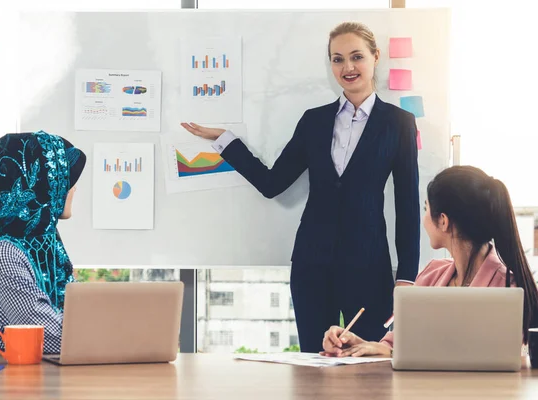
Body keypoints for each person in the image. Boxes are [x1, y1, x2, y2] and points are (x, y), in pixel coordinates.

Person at [181, 22, 420, 351]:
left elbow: (407, 205)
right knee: (314, 365)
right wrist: (225, 141)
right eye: (337, 59)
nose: (347, 67)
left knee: (370, 369)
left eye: (356, 57)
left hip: (369, 268)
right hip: (312, 266)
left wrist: (407, 276)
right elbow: (271, 183)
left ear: (375, 57)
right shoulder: (314, 121)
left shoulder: (398, 123)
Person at [322, 166, 538, 357]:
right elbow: (399, 345)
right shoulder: (431, 274)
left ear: (443, 221)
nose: (424, 219)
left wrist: (393, 352)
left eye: (426, 209)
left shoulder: (508, 286)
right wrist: (361, 345)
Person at [0, 131, 86, 353]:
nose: (73, 188)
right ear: (42, 185)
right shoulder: (2, 253)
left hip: (45, 375)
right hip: (7, 380)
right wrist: (118, 334)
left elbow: (76, 319)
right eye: (65, 181)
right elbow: (47, 335)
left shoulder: (45, 245)